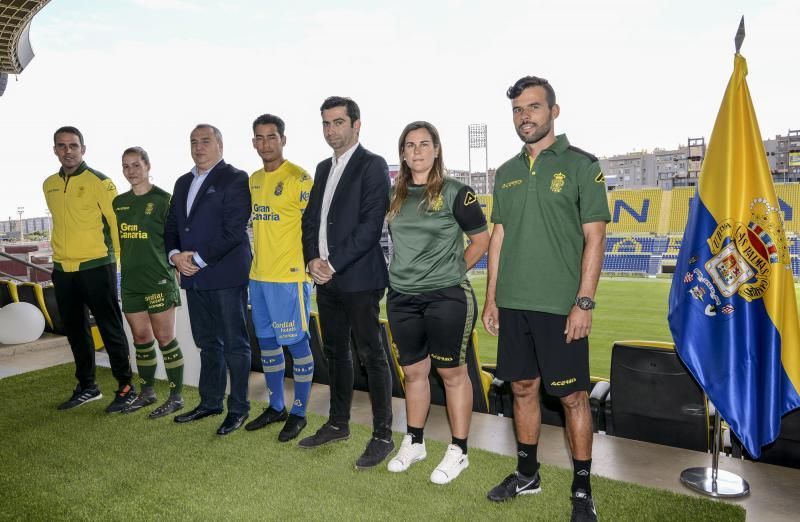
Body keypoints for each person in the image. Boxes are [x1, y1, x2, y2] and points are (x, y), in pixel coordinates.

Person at [482, 76, 610, 521]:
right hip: (514, 304)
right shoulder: (506, 172)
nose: (525, 117)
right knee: (521, 388)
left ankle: (581, 488)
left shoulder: (581, 165)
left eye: (533, 107)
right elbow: (498, 237)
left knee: (573, 397)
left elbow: (595, 238)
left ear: (554, 111)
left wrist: (584, 302)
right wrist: (491, 298)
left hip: (561, 307)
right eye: (518, 110)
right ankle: (527, 473)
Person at [385, 121, 489, 484]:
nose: (417, 151)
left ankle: (459, 450)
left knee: (451, 373)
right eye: (410, 145)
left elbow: (481, 239)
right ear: (402, 153)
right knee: (414, 372)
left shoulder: (457, 192)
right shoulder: (394, 196)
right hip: (401, 296)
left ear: (436, 150)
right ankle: (414, 441)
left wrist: (451, 270)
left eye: (424, 144)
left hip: (446, 296)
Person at [299, 96, 394, 469]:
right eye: (326, 123)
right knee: (336, 352)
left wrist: (332, 263)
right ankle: (338, 423)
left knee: (372, 355)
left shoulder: (372, 166)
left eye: (338, 122)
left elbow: (371, 226)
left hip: (358, 278)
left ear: (357, 124)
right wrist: (312, 260)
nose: (331, 130)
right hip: (325, 279)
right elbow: (310, 222)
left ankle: (383, 435)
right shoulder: (322, 168)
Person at [165, 124, 253, 436]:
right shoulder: (182, 182)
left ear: (220, 145)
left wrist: (197, 259)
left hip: (225, 275)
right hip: (193, 277)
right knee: (207, 344)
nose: (198, 147)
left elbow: (234, 230)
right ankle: (211, 402)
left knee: (235, 345)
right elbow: (173, 224)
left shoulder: (235, 178)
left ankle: (239, 409)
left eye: (205, 141)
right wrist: (175, 255)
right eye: (193, 141)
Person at [44, 126, 137, 412]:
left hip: (98, 265)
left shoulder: (101, 182)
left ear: (83, 149)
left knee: (110, 328)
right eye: (62, 146)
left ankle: (126, 388)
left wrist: (118, 265)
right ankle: (88, 386)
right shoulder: (49, 184)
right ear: (55, 150)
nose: (67, 151)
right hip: (63, 269)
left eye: (73, 145)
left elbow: (116, 224)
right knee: (75, 330)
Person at [244, 114, 314, 442]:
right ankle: (276, 406)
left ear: (283, 140)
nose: (265, 144)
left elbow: (314, 228)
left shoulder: (300, 178)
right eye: (259, 138)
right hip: (258, 278)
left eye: (271, 137)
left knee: (298, 345)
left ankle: (299, 412)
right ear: (254, 142)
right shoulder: (254, 180)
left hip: (289, 279)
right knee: (268, 346)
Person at [113, 147, 185, 418]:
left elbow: (175, 239)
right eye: (126, 166)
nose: (131, 171)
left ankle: (176, 397)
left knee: (165, 338)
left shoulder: (164, 200)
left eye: (136, 165)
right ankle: (147, 393)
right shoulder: (118, 203)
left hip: (159, 280)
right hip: (131, 281)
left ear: (147, 166)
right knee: (141, 339)